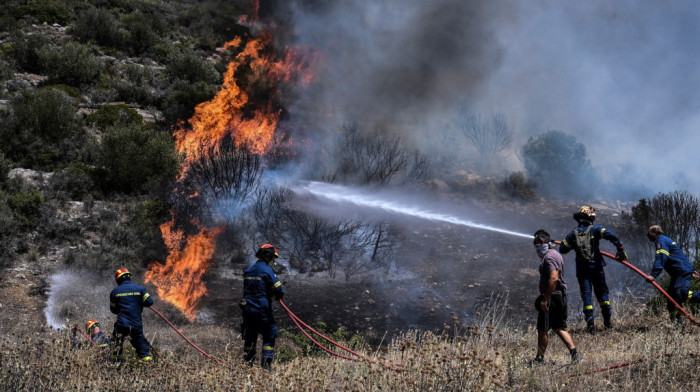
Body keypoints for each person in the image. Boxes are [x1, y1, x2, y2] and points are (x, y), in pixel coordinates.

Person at [558, 205, 627, 332]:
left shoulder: (573, 233)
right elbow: (611, 235)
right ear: (591, 217)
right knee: (602, 294)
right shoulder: (596, 229)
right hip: (597, 268)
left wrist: (573, 244)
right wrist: (620, 249)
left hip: (582, 271)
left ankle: (591, 326)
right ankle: (608, 323)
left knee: (587, 296)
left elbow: (562, 249)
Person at [533, 229, 581, 364]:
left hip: (552, 298)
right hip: (560, 296)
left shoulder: (549, 258)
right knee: (558, 328)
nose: (536, 246)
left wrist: (545, 299)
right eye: (534, 243)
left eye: (538, 242)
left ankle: (539, 358)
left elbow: (553, 279)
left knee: (542, 330)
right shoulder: (556, 254)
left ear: (545, 242)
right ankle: (575, 355)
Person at [240, 244, 285, 370]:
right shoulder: (267, 271)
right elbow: (280, 290)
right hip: (261, 309)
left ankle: (247, 364)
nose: (273, 261)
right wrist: (276, 294)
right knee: (270, 332)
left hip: (247, 310)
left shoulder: (249, 270)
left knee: (250, 336)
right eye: (273, 258)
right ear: (269, 257)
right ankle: (266, 365)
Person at [644, 225, 700, 323]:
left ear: (655, 233)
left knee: (681, 294)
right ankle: (676, 324)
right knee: (671, 299)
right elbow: (679, 256)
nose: (647, 235)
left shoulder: (661, 241)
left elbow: (661, 258)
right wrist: (691, 269)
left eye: (649, 233)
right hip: (679, 273)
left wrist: (653, 275)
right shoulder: (664, 240)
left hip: (681, 272)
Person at [110, 267, 155, 365]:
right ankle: (148, 368)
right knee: (142, 348)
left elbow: (114, 310)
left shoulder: (115, 292)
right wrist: (138, 302)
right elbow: (150, 302)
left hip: (121, 325)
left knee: (116, 346)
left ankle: (114, 368)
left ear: (118, 279)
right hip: (136, 325)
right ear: (129, 277)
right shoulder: (140, 289)